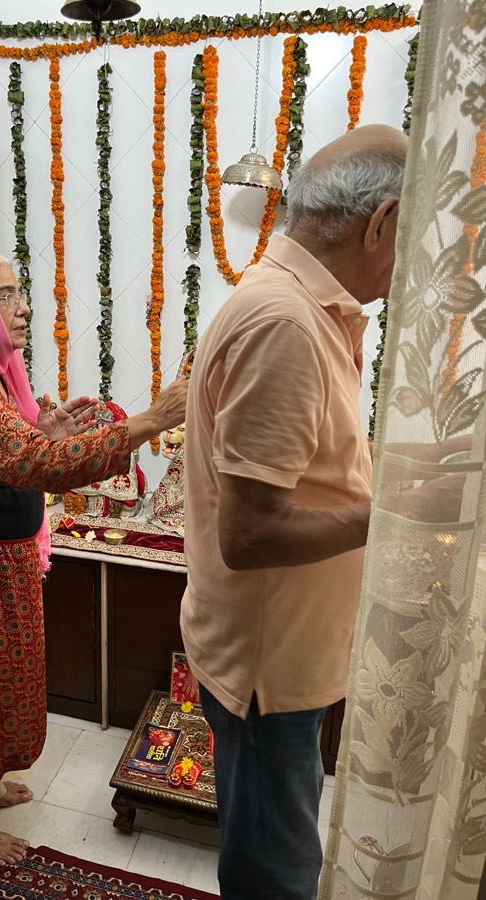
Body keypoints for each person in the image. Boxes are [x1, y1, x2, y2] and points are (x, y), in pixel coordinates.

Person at [0, 247, 187, 867]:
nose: (24, 306)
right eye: (6, 295)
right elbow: (41, 467)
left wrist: (47, 429)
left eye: (19, 292)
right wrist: (153, 418)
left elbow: (19, 450)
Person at [180, 124, 409, 900]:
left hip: (284, 657)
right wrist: (394, 515)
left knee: (277, 845)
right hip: (266, 670)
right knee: (276, 873)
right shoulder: (284, 321)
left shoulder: (302, 308)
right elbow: (248, 534)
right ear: (379, 223)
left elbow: (309, 470)